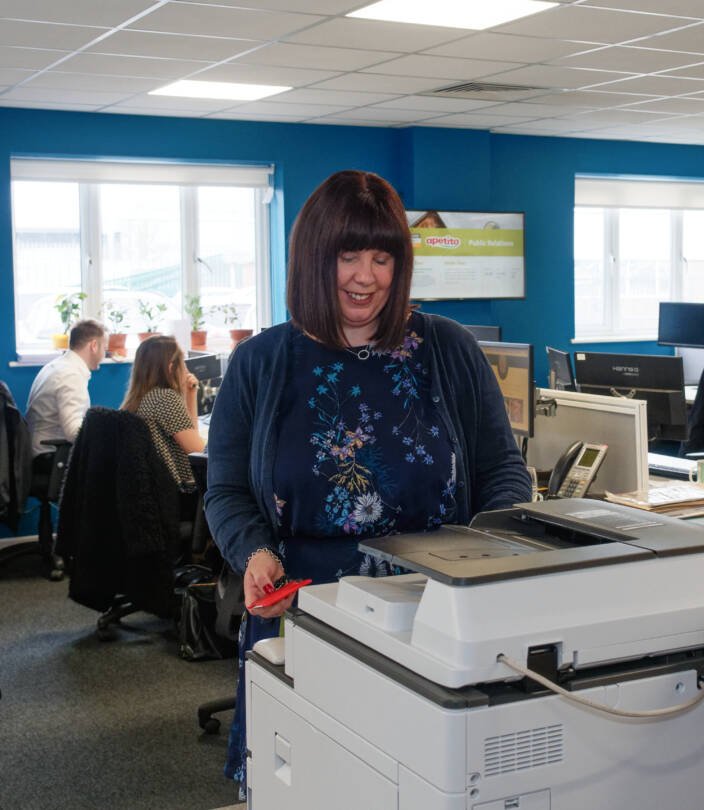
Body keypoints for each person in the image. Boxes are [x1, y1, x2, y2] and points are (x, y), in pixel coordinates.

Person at [204, 170, 532, 792]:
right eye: (347, 256)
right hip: (305, 611)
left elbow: (503, 472)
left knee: (420, 784)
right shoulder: (261, 362)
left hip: (436, 612)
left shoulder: (448, 348)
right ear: (312, 259)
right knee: (309, 784)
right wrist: (255, 551)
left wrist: (490, 558)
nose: (366, 276)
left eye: (383, 257)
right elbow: (225, 489)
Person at [25, 319, 107, 488]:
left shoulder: (57, 366)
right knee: (114, 464)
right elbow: (73, 432)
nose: (104, 354)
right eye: (104, 348)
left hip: (37, 450)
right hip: (51, 455)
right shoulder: (70, 375)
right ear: (94, 345)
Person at [119, 335, 204, 492]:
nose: (186, 369)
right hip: (183, 494)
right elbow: (199, 451)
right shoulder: (164, 399)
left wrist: (190, 395)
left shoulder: (138, 399)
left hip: (154, 494)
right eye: (183, 362)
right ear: (171, 367)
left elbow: (192, 440)